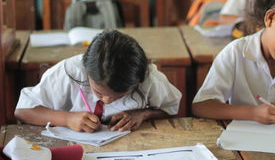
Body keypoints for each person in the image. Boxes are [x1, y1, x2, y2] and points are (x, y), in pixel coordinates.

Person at [15, 30, 182, 132]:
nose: (107, 100)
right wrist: (66, 119)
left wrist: (144, 114)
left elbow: (171, 108)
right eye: (99, 93)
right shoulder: (69, 71)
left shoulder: (148, 77)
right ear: (86, 71)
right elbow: (23, 110)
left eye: (119, 96)